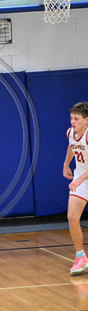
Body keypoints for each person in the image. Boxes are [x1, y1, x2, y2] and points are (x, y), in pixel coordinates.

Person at [63, 102, 88, 275]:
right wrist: (66, 164)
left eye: (76, 119)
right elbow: (72, 145)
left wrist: (80, 179)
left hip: (83, 177)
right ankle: (81, 257)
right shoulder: (70, 132)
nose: (73, 121)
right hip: (81, 177)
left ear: (86, 120)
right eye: (71, 118)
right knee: (72, 216)